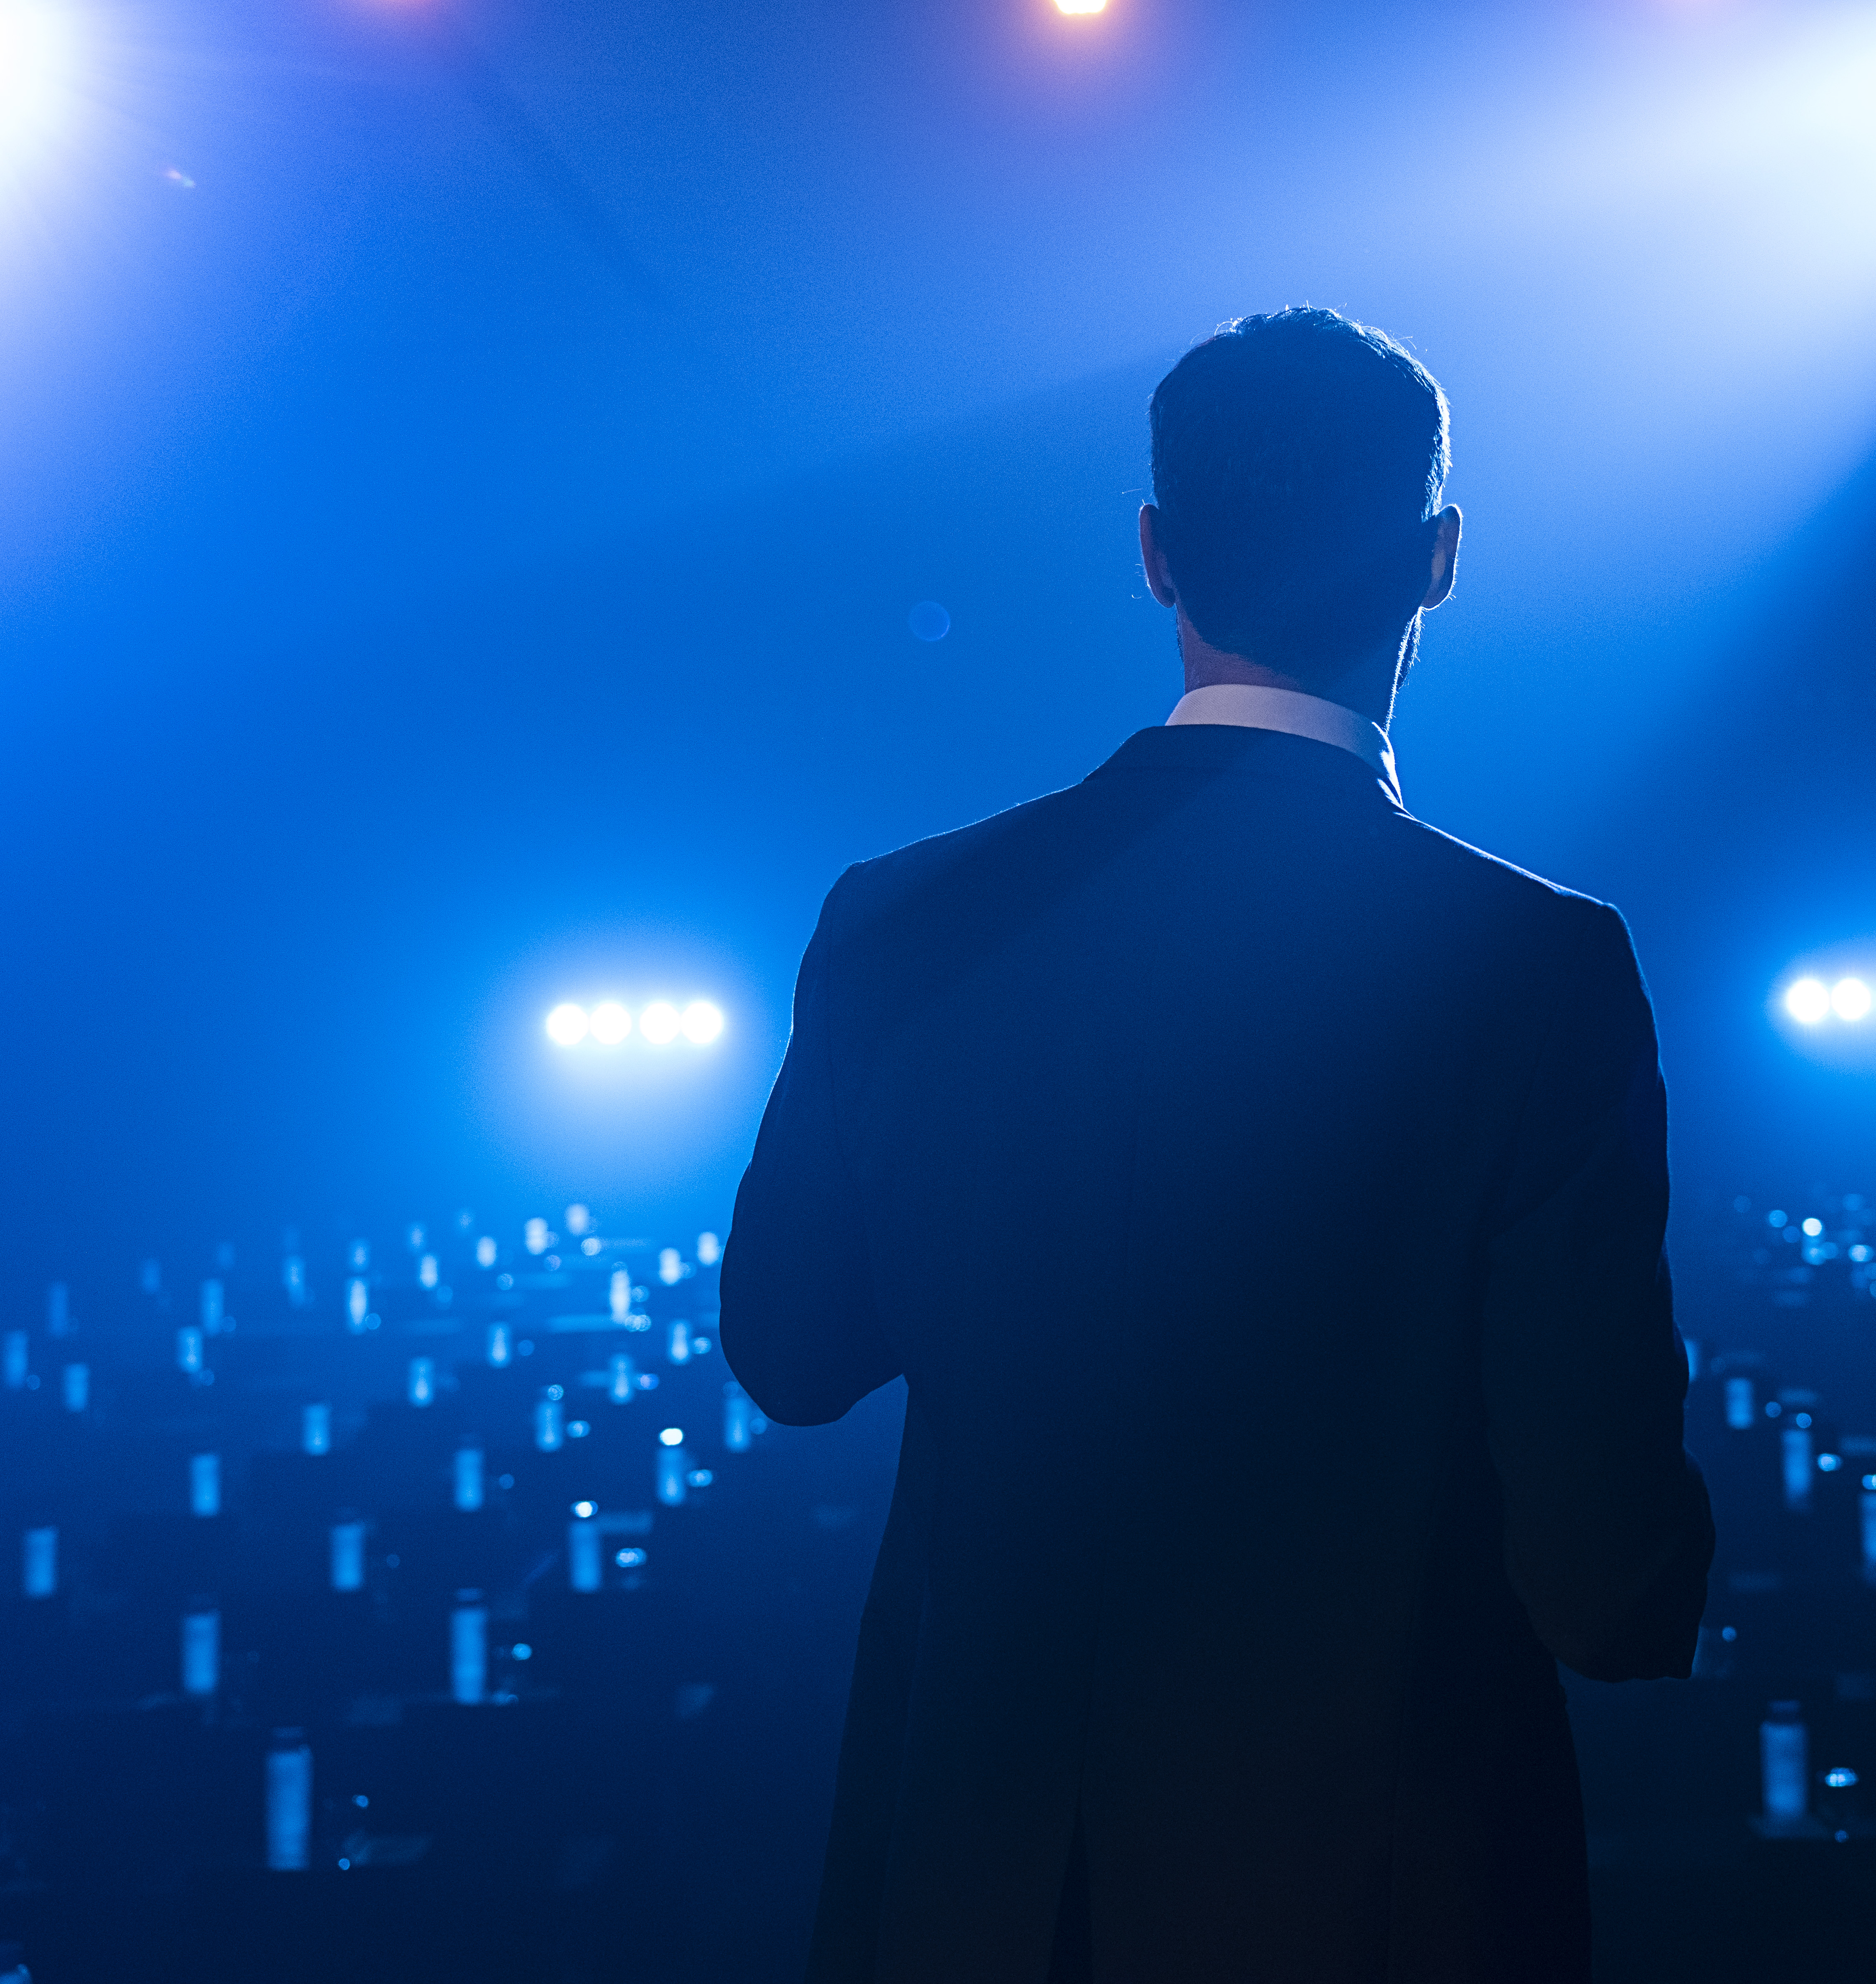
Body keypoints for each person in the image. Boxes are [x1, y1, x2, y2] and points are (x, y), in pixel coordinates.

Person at [724, 306, 1713, 1984]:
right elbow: (1609, 1589)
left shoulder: (902, 920)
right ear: (1439, 560)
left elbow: (795, 1351)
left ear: (1157, 554)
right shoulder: (1534, 965)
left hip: (980, 1876)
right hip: (1377, 1900)